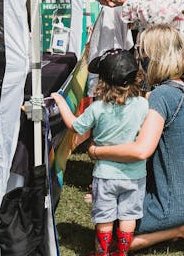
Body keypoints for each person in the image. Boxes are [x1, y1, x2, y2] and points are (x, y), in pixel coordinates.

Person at [86, 24, 184, 256]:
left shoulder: (162, 95)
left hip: (177, 202)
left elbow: (141, 150)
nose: (140, 57)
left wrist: (97, 152)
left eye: (143, 51)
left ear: (156, 55)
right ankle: (183, 224)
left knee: (112, 234)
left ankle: (178, 229)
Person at [52, 50, 147, 256]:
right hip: (135, 175)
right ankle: (122, 253)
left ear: (103, 81)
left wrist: (60, 102)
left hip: (105, 175)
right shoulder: (142, 105)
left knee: (104, 217)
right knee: (128, 216)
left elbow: (75, 126)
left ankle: (102, 253)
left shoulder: (98, 108)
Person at [64, 0, 134, 96]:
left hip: (107, 81)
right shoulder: (115, 9)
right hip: (111, 77)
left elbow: (110, 49)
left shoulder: (110, 11)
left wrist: (100, 85)